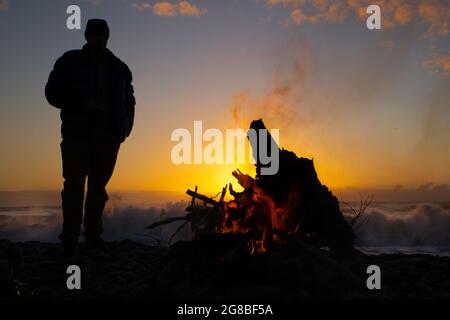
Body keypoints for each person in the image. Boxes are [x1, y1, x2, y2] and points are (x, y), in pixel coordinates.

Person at [45, 19, 135, 257]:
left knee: (98, 189)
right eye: (95, 34)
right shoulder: (69, 61)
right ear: (86, 36)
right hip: (77, 136)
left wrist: (125, 129)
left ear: (108, 36)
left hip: (108, 140)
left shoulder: (120, 68)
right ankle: (71, 239)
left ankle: (93, 236)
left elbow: (130, 100)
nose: (99, 38)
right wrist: (82, 103)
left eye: (103, 34)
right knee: (74, 187)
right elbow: (52, 93)